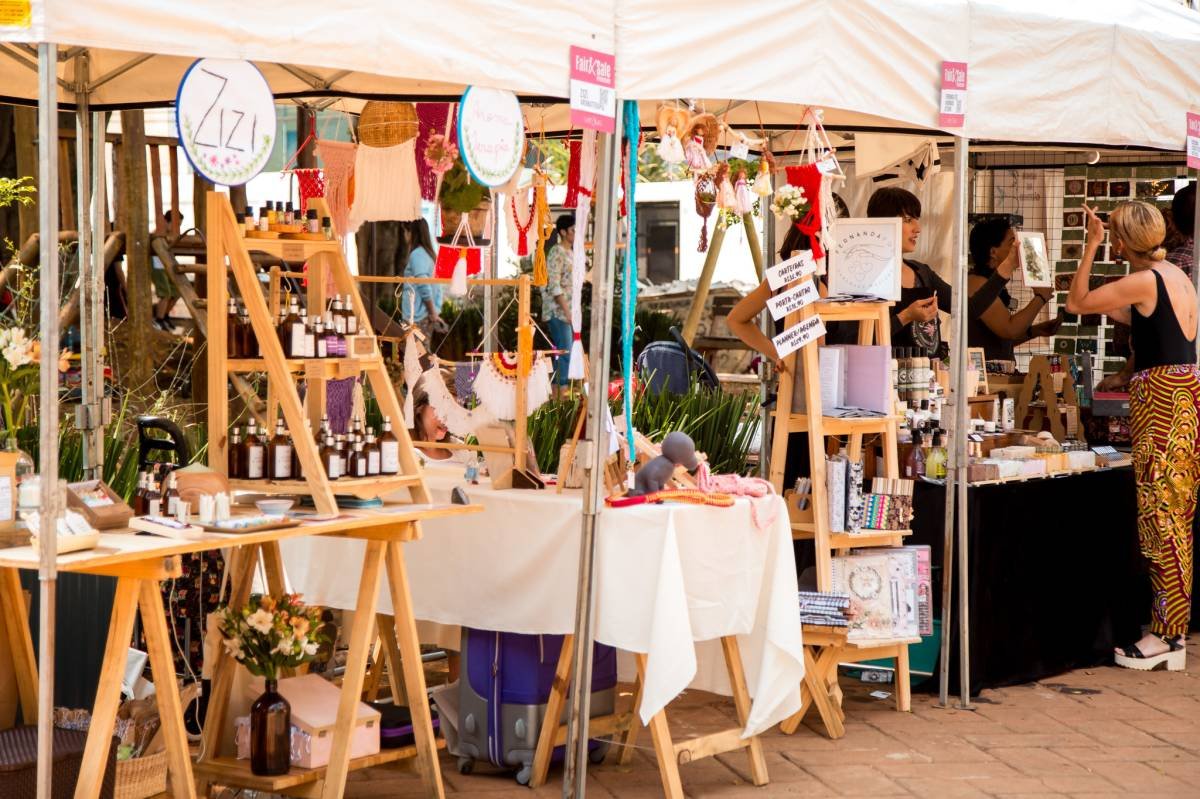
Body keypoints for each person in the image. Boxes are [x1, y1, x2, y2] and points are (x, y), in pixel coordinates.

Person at [1065, 200, 1198, 670]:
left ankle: (1166, 634)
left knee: (1161, 514)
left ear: (1125, 240)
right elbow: (1137, 317)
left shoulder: (1146, 278)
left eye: (1116, 238)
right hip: (1181, 393)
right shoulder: (1175, 277)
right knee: (1173, 514)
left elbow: (1076, 302)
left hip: (1162, 397)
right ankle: (1171, 627)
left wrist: (1090, 246)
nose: (1115, 244)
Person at [866, 188, 1009, 358]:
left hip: (928, 378)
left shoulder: (922, 273)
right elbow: (855, 339)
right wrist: (905, 317)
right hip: (885, 378)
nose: (917, 228)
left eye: (916, 220)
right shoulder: (866, 277)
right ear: (883, 224)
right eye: (908, 220)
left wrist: (1006, 268)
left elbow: (969, 310)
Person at [966, 217, 1062, 360]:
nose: (1019, 248)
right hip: (985, 377)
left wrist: (1035, 331)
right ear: (993, 252)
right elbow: (1009, 329)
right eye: (1012, 243)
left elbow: (1002, 338)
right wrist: (1040, 298)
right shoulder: (977, 284)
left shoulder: (990, 282)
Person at [542, 213, 575, 397]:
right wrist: (566, 310)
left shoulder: (571, 252)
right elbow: (553, 284)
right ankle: (559, 393)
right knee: (565, 352)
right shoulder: (556, 252)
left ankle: (557, 393)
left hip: (568, 310)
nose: (576, 233)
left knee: (564, 352)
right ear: (563, 232)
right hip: (558, 310)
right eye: (572, 230)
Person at [397, 219, 445, 336]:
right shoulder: (429, 254)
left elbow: (424, 284)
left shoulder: (417, 254)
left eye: (406, 232)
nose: (405, 235)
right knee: (422, 353)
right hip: (424, 316)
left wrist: (433, 312)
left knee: (414, 353)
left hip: (416, 317)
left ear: (412, 233)